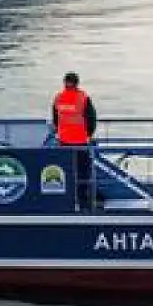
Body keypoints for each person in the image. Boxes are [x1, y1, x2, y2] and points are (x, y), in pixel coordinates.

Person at [51, 72, 98, 208]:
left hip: (64, 141)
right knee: (83, 172)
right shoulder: (83, 97)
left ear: (64, 82)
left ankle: (68, 198)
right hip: (80, 142)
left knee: (66, 170)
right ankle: (83, 200)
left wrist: (61, 132)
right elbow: (91, 118)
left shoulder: (58, 98)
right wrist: (89, 134)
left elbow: (55, 119)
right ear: (77, 83)